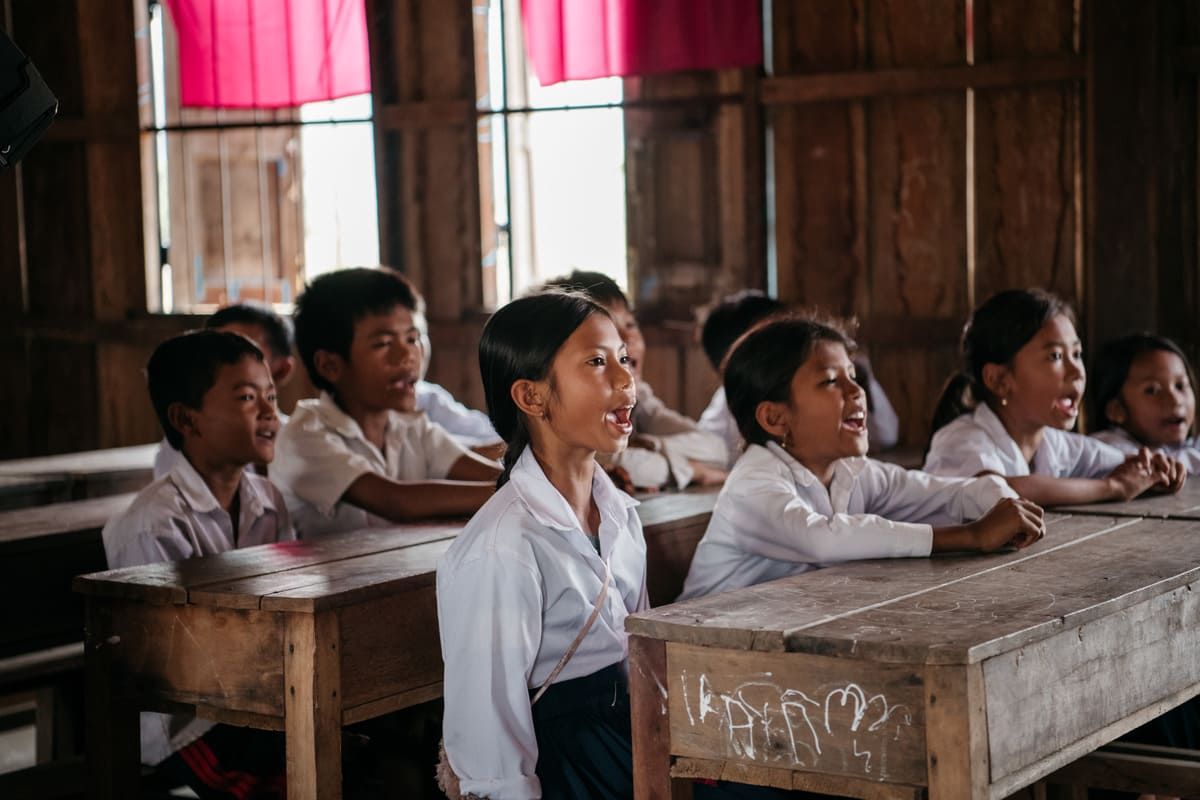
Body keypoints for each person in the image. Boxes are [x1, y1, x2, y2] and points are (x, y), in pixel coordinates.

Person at [436, 290, 646, 799]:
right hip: (566, 759)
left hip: (631, 732)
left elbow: (640, 651)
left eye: (622, 358)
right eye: (596, 363)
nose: (625, 379)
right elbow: (490, 730)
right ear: (531, 398)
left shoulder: (619, 512)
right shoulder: (504, 547)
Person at [680, 313, 1044, 601]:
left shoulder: (852, 473)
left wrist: (1003, 501)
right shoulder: (753, 483)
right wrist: (971, 536)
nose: (856, 391)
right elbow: (824, 539)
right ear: (776, 418)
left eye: (852, 376)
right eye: (830, 381)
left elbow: (949, 492)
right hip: (684, 659)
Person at [102, 330, 294, 798]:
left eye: (271, 396)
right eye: (248, 398)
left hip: (254, 702)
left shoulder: (267, 499)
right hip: (186, 724)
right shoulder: (154, 522)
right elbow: (165, 661)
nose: (270, 412)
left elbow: (293, 591)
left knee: (359, 760)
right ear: (186, 418)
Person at [271, 267, 500, 537]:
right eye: (383, 344)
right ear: (330, 365)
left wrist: (523, 485)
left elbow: (488, 474)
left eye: (412, 339)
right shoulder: (304, 436)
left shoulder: (410, 427)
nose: (407, 355)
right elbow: (396, 501)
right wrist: (521, 491)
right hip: (322, 579)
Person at [924, 288, 1185, 505]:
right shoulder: (960, 440)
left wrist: (1154, 470)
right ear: (1001, 380)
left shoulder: (1053, 443)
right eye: (1055, 356)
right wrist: (1111, 487)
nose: (1076, 372)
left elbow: (1122, 462)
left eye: (1077, 354)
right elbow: (998, 491)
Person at [546, 270, 728, 490]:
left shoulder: (638, 395)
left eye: (631, 324)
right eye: (609, 329)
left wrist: (649, 445)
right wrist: (692, 469)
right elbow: (609, 462)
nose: (627, 338)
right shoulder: (567, 404)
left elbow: (716, 449)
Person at [698, 290, 900, 466]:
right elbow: (704, 448)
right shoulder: (733, 401)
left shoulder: (850, 471)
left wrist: (861, 377)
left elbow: (887, 435)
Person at [153, 302, 296, 478]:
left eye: (247, 352)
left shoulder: (301, 441)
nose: (225, 365)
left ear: (282, 370)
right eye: (213, 355)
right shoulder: (189, 446)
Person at [1089, 332, 1200, 473]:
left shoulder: (1178, 445)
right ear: (1116, 410)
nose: (1175, 400)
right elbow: (1155, 469)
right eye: (1152, 390)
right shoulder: (1107, 448)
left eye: (1180, 386)